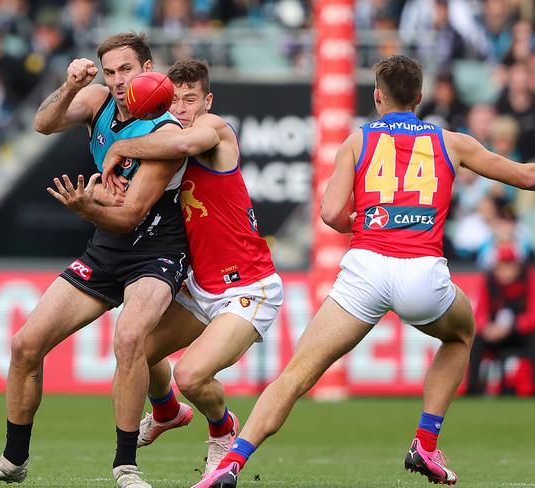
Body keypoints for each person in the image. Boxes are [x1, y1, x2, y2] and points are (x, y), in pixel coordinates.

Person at [196, 54, 535, 488]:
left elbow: (332, 213)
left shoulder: (356, 142)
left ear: (377, 95)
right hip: (422, 273)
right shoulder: (453, 142)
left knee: (296, 374)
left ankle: (230, 466)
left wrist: (373, 221)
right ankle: (426, 444)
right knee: (461, 335)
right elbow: (525, 177)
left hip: (366, 270)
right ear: (420, 97)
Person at [0, 33, 188, 488]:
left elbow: (132, 214)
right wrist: (71, 86)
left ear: (149, 69)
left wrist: (84, 207)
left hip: (156, 249)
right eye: (111, 71)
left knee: (131, 337)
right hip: (106, 246)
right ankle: (12, 461)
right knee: (24, 345)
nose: (119, 81)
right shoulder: (97, 100)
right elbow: (42, 123)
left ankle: (126, 468)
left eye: (128, 70)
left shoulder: (166, 130)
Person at [100, 59, 283, 478]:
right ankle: (165, 412)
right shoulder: (162, 146)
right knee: (134, 354)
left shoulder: (213, 130)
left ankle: (222, 430)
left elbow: (183, 144)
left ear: (207, 100)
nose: (181, 108)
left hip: (248, 286)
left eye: (190, 99)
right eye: (174, 99)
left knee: (191, 375)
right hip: (200, 285)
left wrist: (119, 146)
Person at [467, 242, 535, 395]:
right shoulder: (489, 282)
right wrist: (487, 328)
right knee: (476, 340)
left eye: (509, 265)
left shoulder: (528, 279)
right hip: (495, 333)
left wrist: (512, 327)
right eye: (501, 266)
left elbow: (532, 316)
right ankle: (472, 389)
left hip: (519, 333)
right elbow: (478, 315)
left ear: (517, 266)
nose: (505, 271)